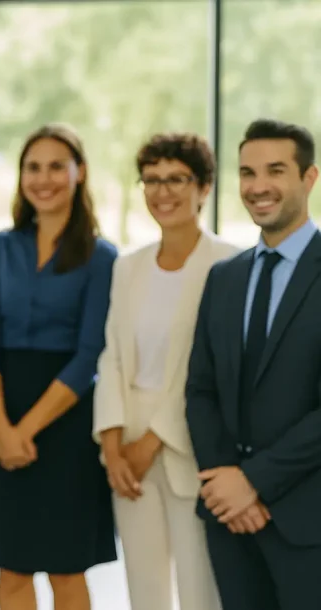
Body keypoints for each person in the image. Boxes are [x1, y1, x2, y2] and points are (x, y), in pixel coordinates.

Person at [0, 123, 117, 610]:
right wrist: (1, 426)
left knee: (66, 570)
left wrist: (23, 433)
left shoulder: (101, 256)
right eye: (33, 167)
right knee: (11, 567)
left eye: (56, 166)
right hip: (2, 412)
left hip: (67, 424)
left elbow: (89, 356)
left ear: (80, 173)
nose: (43, 178)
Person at [92, 133, 235, 610]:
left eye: (176, 179)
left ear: (204, 187)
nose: (162, 191)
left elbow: (209, 369)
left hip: (192, 444)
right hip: (126, 450)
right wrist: (111, 445)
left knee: (200, 591)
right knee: (144, 590)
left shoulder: (228, 264)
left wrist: (152, 440)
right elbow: (112, 355)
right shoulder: (128, 266)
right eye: (151, 180)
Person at [186, 118, 321, 610]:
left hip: (307, 520)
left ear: (309, 178)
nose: (258, 186)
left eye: (275, 170)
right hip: (229, 519)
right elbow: (200, 390)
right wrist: (225, 480)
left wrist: (254, 481)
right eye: (247, 173)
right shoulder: (224, 278)